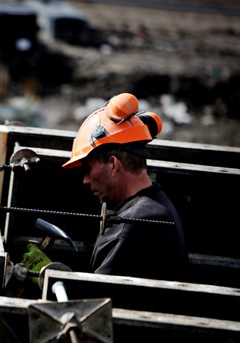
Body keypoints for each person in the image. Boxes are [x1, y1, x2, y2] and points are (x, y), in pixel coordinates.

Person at [62, 93, 188, 281]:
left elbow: (94, 301)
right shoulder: (158, 206)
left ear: (113, 164)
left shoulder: (132, 227)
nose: (85, 180)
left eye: (88, 169)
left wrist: (48, 275)